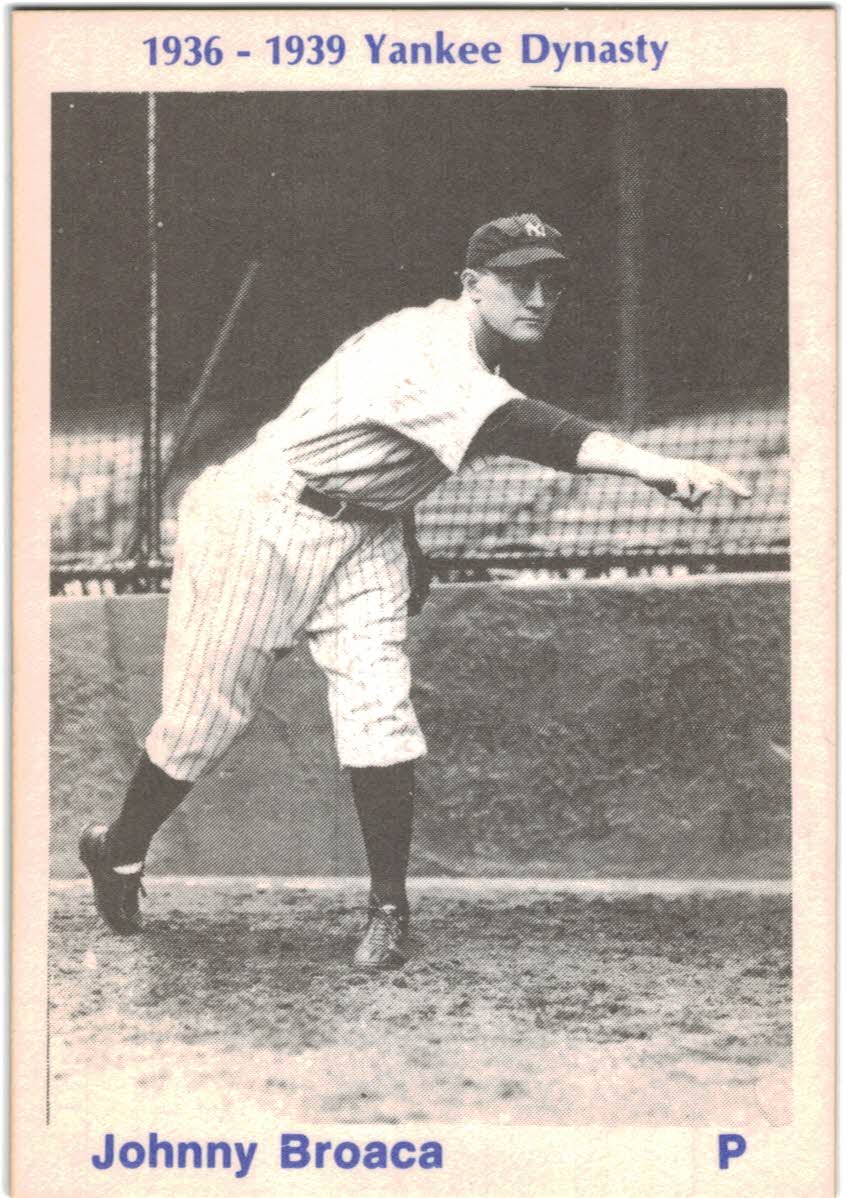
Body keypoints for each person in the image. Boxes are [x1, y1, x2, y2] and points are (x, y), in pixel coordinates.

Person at [80, 213, 749, 969]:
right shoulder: (421, 349)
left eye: (550, 283)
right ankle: (120, 849)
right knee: (207, 718)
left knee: (379, 710)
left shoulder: (470, 359)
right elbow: (526, 429)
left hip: (367, 530)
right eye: (516, 280)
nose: (536, 297)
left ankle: (388, 910)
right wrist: (651, 465)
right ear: (470, 286)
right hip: (263, 516)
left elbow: (393, 452)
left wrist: (407, 538)